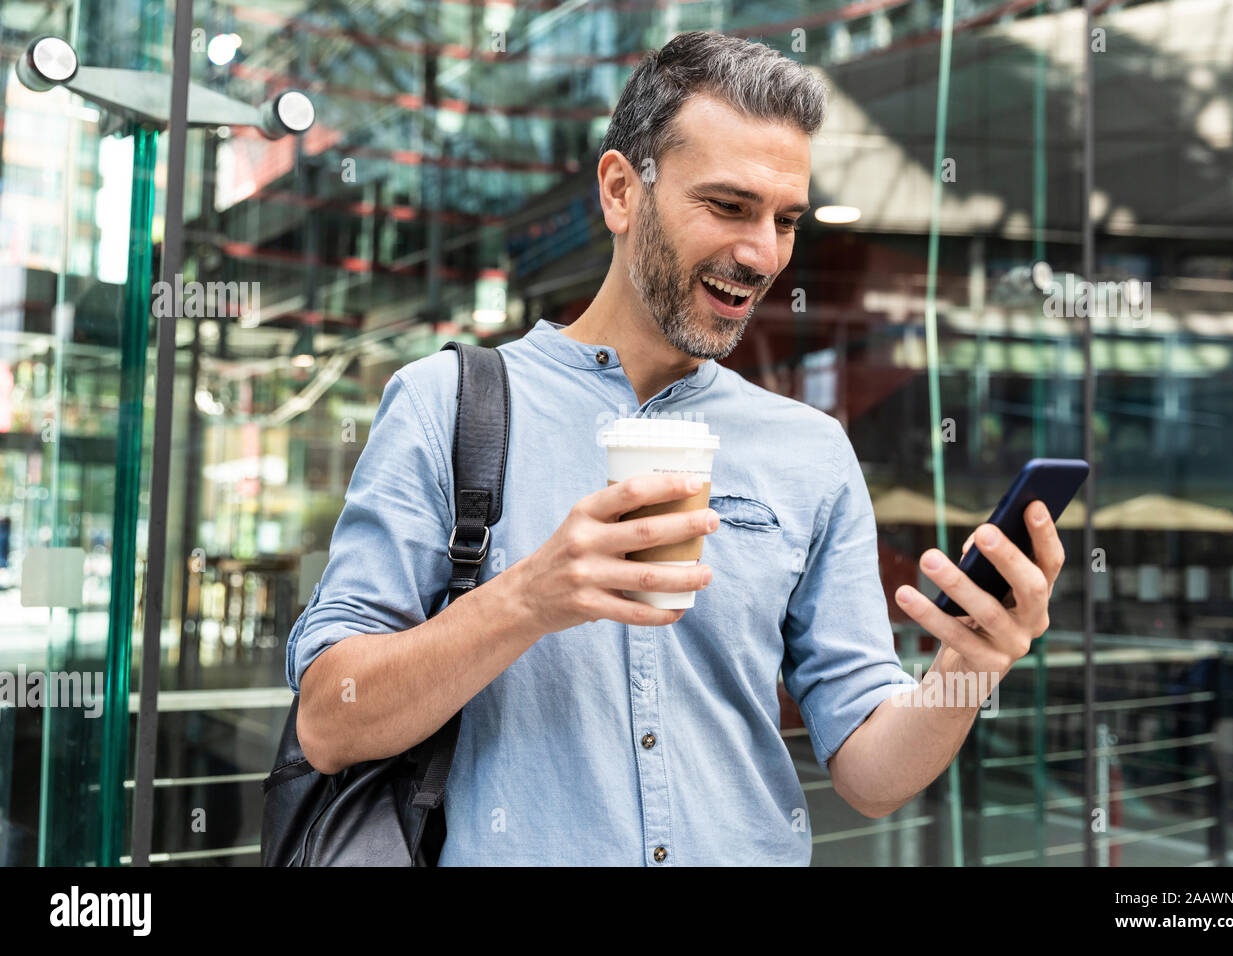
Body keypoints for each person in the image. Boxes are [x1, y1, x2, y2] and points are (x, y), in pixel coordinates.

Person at [286, 30, 1065, 865]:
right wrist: (529, 599)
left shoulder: (811, 451)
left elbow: (871, 777)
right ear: (622, 191)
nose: (762, 253)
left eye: (785, 219)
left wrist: (968, 668)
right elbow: (332, 722)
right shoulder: (447, 405)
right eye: (728, 206)